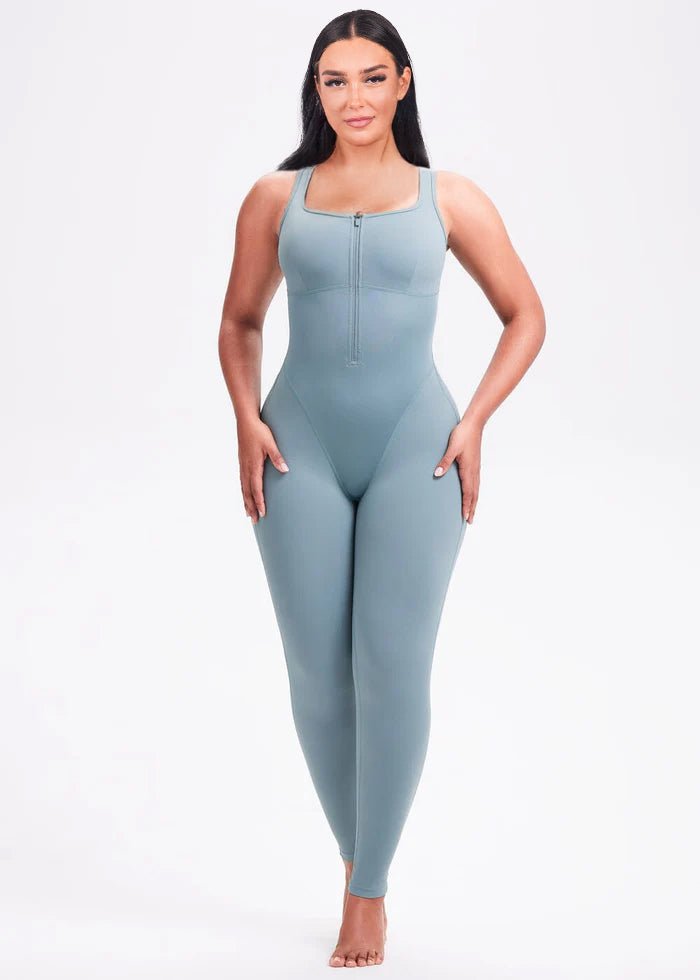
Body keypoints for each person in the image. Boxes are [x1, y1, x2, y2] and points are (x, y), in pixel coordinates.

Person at [218, 10, 545, 969]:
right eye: (334, 80)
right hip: (298, 448)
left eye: (371, 77)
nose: (353, 97)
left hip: (420, 450)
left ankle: (368, 890)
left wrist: (474, 419)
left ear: (403, 83)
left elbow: (525, 314)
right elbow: (240, 321)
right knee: (318, 671)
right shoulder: (274, 198)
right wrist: (245, 418)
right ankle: (357, 850)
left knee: (392, 666)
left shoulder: (452, 199)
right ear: (315, 93)